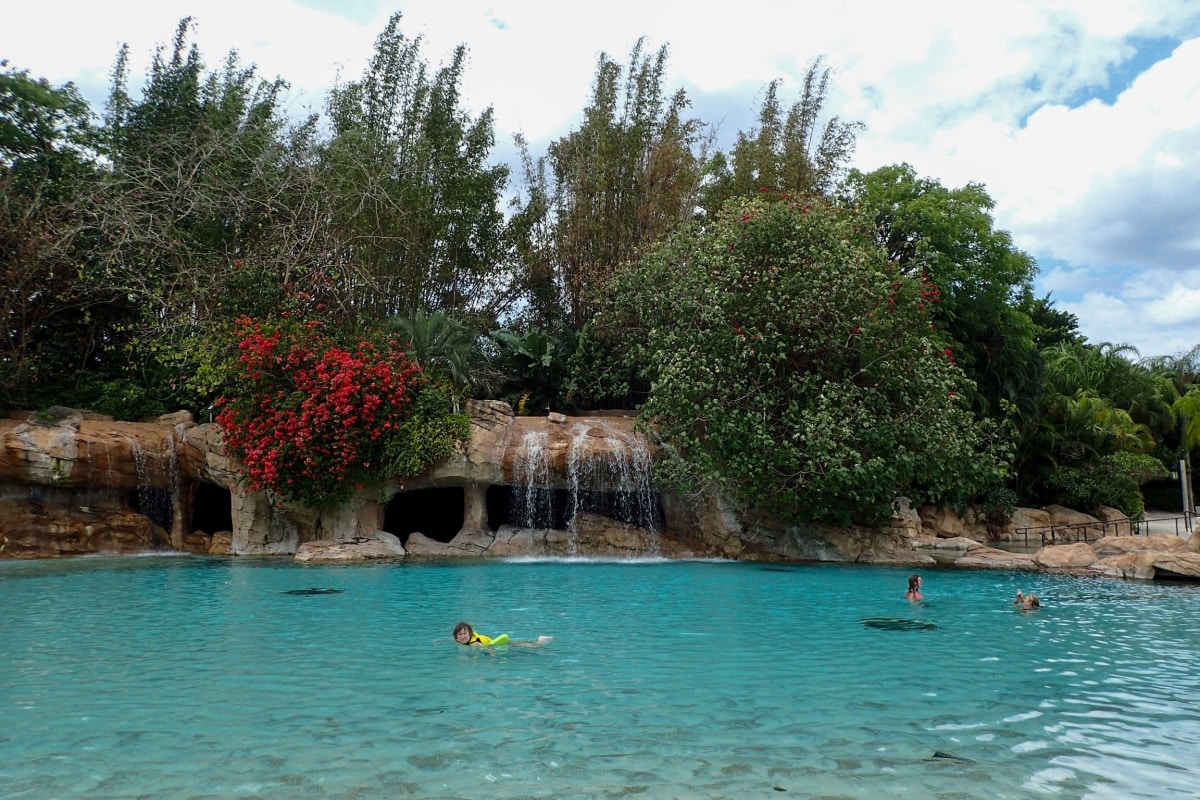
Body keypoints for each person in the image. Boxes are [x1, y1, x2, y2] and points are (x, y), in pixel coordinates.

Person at [451, 621, 552, 648]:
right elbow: (452, 640)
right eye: (460, 634)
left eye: (465, 633)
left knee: (534, 647)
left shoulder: (474, 643)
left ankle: (541, 639)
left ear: (470, 633)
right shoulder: (459, 640)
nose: (463, 636)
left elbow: (486, 648)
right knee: (521, 643)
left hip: (498, 644)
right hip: (495, 643)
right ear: (456, 637)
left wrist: (493, 655)